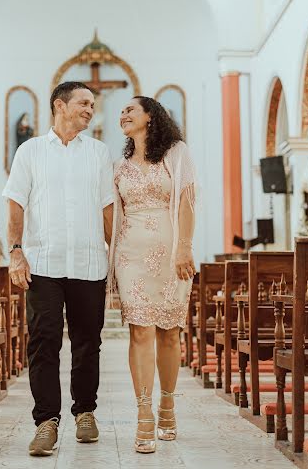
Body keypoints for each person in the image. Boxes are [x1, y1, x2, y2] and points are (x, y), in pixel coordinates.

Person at [2, 81, 114, 457]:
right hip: (44, 262)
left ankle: (85, 412)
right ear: (59, 106)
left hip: (89, 262)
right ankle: (46, 421)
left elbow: (107, 208)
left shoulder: (99, 152)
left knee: (88, 344)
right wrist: (16, 251)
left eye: (92, 104)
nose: (89, 109)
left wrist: (116, 260)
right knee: (43, 342)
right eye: (83, 103)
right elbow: (16, 203)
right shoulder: (30, 151)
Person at [109, 96, 196, 454]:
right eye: (122, 112)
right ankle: (144, 411)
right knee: (140, 332)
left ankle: (168, 404)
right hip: (130, 255)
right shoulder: (119, 165)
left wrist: (185, 247)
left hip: (171, 251)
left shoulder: (176, 153)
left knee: (169, 333)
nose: (123, 114)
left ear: (150, 116)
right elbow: (114, 216)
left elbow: (188, 201)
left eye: (130, 109)